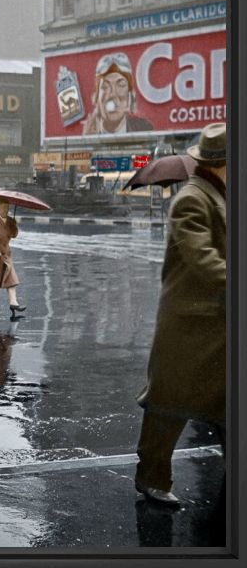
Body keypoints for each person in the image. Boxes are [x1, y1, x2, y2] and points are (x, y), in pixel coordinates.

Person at [135, 122, 226, 508]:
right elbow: (202, 257)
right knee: (168, 405)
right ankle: (151, 477)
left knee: (226, 403)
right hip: (190, 324)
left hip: (219, 321)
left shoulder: (220, 194)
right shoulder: (191, 199)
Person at [82, 52, 153, 135]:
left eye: (121, 85)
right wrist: (88, 143)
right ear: (96, 98)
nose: (113, 94)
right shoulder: (87, 133)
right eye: (105, 86)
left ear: (130, 97)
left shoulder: (144, 129)